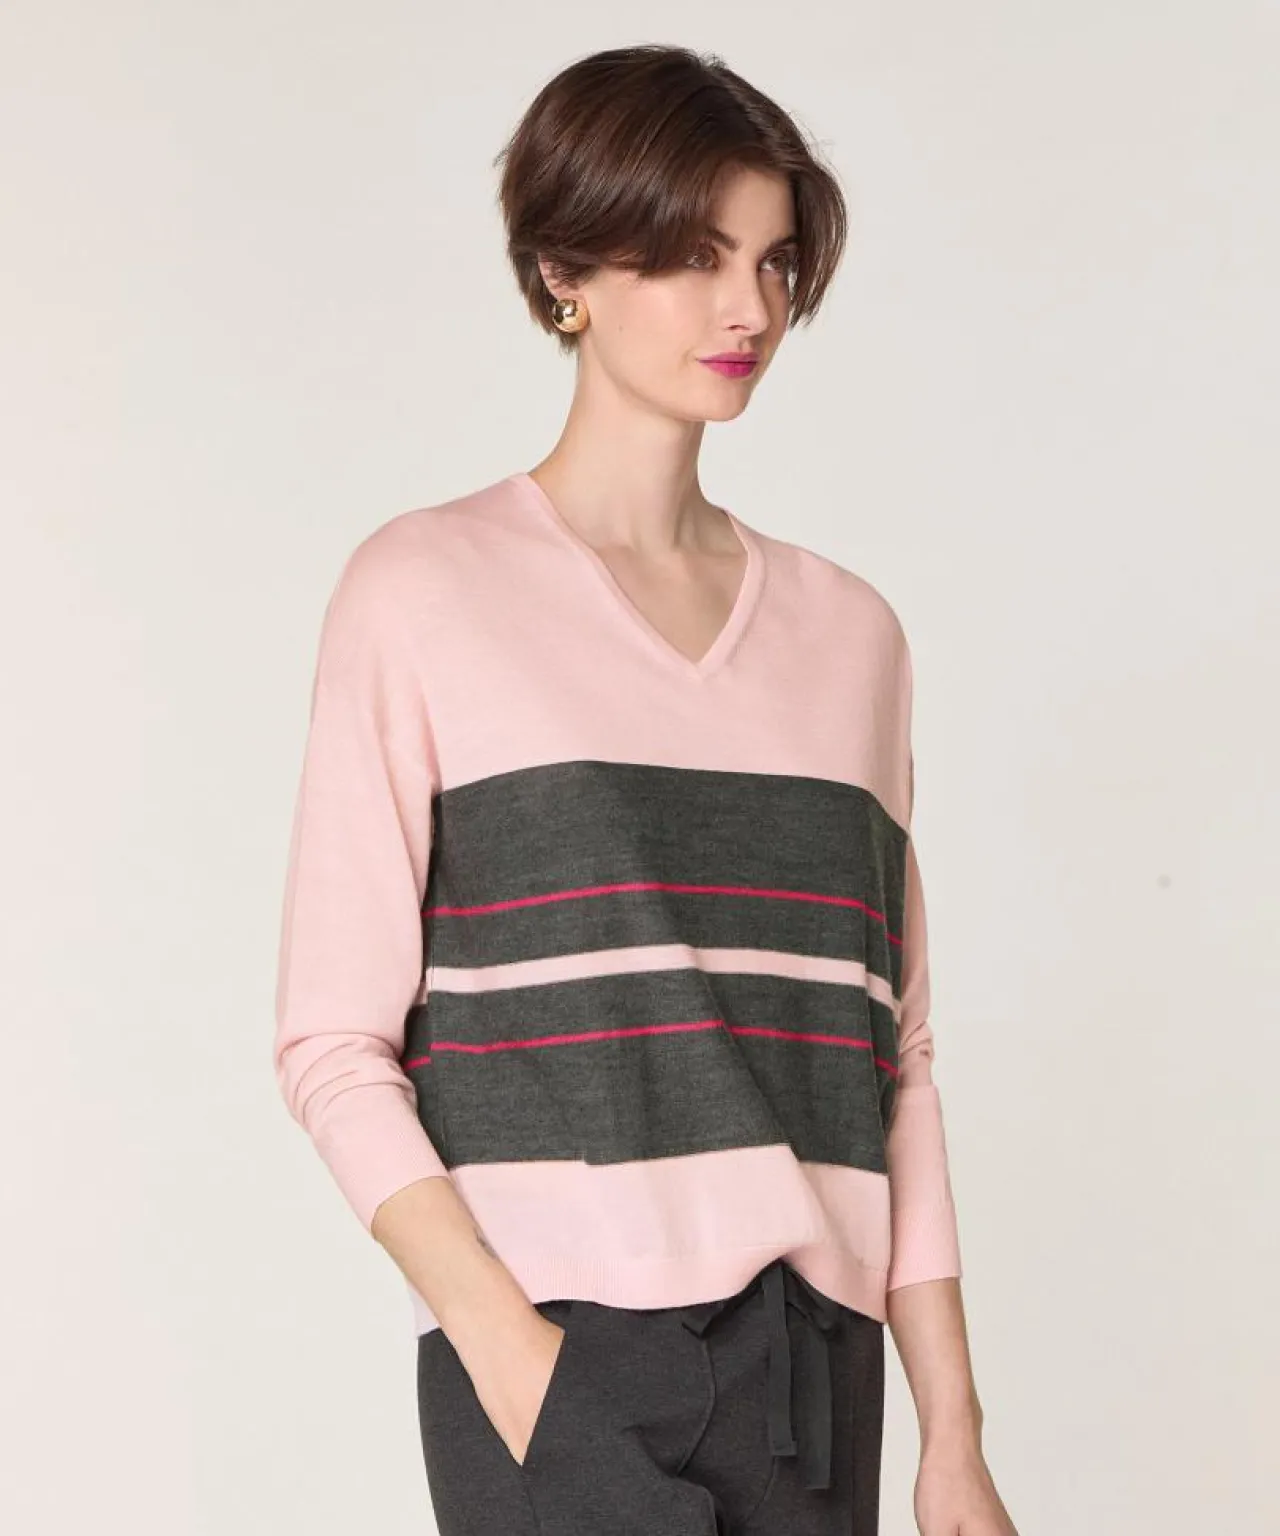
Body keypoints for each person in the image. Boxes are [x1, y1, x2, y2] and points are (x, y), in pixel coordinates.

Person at [272, 42, 1018, 1536]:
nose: (750, 309)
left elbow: (897, 1060)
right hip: (558, 1355)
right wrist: (513, 1358)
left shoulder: (852, 639)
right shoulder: (424, 591)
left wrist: (954, 1434)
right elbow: (332, 1045)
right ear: (565, 272)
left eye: (774, 261)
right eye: (692, 257)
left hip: (818, 1375)